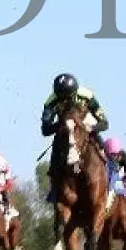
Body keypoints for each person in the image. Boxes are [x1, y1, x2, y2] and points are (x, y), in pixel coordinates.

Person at [40, 72, 108, 203]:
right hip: (65, 130)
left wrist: (90, 128)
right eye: (62, 98)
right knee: (55, 153)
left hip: (87, 126)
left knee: (105, 151)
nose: (65, 100)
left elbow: (104, 123)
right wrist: (62, 124)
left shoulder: (87, 96)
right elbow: (45, 129)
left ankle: (111, 184)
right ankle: (54, 190)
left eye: (68, 97)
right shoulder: (50, 102)